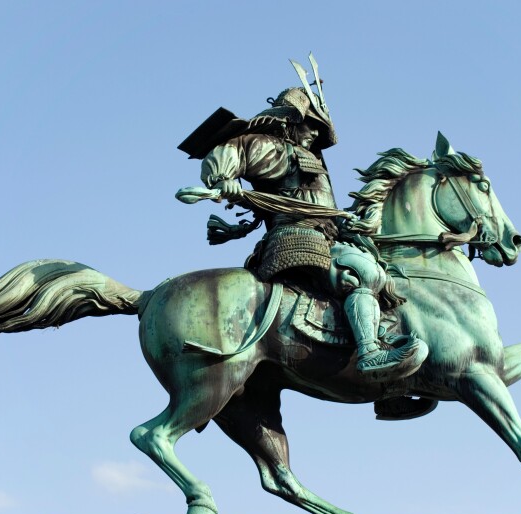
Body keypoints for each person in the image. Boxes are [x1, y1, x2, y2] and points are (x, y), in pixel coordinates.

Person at [180, 62, 425, 383]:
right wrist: (223, 180)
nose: (315, 133)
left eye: (319, 129)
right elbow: (229, 153)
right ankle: (369, 352)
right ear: (290, 121)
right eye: (311, 125)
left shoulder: (309, 156)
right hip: (297, 237)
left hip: (328, 235)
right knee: (362, 273)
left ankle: (393, 383)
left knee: (389, 277)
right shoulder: (272, 147)